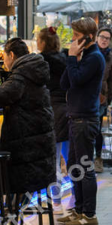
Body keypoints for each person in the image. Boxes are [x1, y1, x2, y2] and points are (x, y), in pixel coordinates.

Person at [0, 38, 57, 209]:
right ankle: (13, 207)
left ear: (11, 54)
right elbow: (12, 93)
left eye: (4, 57)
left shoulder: (21, 75)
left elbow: (1, 96)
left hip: (26, 152)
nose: (4, 62)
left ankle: (9, 209)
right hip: (40, 150)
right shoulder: (32, 71)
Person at [59, 18, 107, 225]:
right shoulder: (84, 56)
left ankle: (89, 214)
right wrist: (74, 58)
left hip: (85, 119)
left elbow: (77, 80)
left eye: (76, 36)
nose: (72, 40)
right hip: (75, 117)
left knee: (84, 169)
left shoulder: (95, 57)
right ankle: (78, 209)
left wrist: (72, 58)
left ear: (87, 37)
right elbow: (64, 83)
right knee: (73, 167)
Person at [36, 27, 71, 207]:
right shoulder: (65, 59)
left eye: (37, 40)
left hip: (51, 111)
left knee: (54, 160)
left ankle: (56, 201)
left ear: (42, 42)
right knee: (70, 158)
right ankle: (74, 201)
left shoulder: (41, 62)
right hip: (67, 110)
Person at [96, 27, 112, 161]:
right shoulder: (89, 53)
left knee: (98, 129)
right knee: (87, 130)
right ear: (97, 37)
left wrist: (109, 98)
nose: (104, 40)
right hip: (87, 97)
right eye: (102, 37)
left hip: (102, 98)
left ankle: (98, 158)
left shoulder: (111, 58)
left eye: (107, 38)